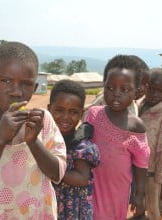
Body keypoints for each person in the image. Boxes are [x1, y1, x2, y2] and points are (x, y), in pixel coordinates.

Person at [0, 41, 67, 219]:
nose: (16, 92)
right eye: (5, 80)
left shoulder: (43, 121)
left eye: (26, 84)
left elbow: (57, 174)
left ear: (35, 87)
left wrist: (33, 142)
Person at [84, 55, 150, 219]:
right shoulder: (93, 115)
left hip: (118, 190)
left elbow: (141, 164)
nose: (116, 94)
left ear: (136, 92)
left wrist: (140, 194)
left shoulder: (136, 126)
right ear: (103, 85)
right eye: (111, 88)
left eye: (125, 90)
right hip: (91, 185)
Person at [48, 79, 100, 220]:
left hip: (72, 211)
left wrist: (48, 166)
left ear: (81, 114)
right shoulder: (43, 140)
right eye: (59, 110)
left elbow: (82, 179)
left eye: (73, 112)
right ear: (49, 109)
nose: (65, 117)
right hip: (48, 206)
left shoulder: (82, 146)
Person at [137, 68, 162, 220]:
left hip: (153, 172)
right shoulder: (138, 107)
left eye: (160, 91)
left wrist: (160, 175)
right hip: (137, 169)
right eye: (151, 89)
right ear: (145, 86)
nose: (154, 94)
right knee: (138, 202)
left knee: (153, 207)